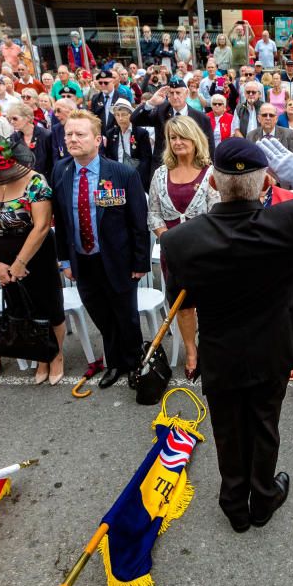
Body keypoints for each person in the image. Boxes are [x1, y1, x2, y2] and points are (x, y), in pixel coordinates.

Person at [161, 135, 293, 532]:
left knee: (228, 429)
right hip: (272, 346)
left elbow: (182, 303)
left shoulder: (178, 241)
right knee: (264, 423)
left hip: (221, 350)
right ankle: (263, 497)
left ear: (211, 182)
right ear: (266, 182)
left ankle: (235, 505)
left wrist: (191, 350)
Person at [52, 110, 149, 388]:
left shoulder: (122, 174)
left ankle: (133, 364)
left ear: (98, 140)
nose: (72, 139)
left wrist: (140, 262)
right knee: (102, 316)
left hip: (118, 260)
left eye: (79, 134)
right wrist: (63, 260)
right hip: (83, 261)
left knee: (126, 317)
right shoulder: (61, 169)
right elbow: (60, 219)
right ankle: (115, 362)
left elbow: (137, 222)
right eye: (69, 134)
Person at [0, 136, 65, 385]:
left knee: (49, 306)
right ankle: (41, 356)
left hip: (35, 253)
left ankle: (56, 355)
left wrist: (20, 264)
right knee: (20, 308)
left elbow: (41, 227)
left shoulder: (35, 181)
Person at [147, 116, 219, 377]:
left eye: (182, 137)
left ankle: (212, 349)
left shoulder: (211, 173)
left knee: (211, 305)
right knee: (184, 306)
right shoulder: (160, 174)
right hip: (173, 254)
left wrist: (197, 245)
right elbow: (153, 213)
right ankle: (191, 351)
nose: (177, 142)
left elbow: (217, 215)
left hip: (205, 253)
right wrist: (166, 238)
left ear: (195, 139)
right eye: (172, 138)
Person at [132, 78, 215, 162]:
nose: (175, 97)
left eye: (178, 93)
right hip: (164, 164)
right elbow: (135, 120)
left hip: (191, 165)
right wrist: (151, 103)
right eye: (171, 93)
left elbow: (209, 147)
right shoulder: (160, 111)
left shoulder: (200, 118)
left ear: (186, 93)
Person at [103, 98, 153, 188]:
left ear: (131, 115)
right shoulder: (110, 134)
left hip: (135, 176)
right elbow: (109, 157)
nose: (120, 118)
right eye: (117, 115)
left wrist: (137, 178)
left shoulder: (141, 133)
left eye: (124, 115)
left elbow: (145, 160)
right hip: (116, 177)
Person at [7, 103, 55, 180]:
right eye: (9, 119)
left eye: (15, 118)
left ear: (27, 118)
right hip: (23, 181)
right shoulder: (14, 137)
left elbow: (53, 161)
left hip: (45, 180)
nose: (12, 122)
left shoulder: (46, 135)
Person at [90, 70, 120, 135]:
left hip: (116, 135)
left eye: (106, 83)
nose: (103, 85)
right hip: (100, 135)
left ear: (113, 82)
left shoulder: (121, 98)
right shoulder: (96, 98)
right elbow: (92, 118)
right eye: (100, 83)